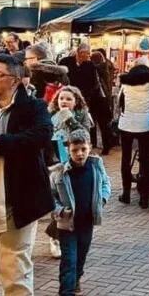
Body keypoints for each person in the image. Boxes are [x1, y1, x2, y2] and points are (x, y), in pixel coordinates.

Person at [0, 54, 54, 296]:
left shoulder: (34, 107)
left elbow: (41, 135)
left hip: (18, 201)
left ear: (15, 80)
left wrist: (0, 144)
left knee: (15, 272)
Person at [50, 128, 111, 296]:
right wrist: (60, 210)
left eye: (83, 149)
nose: (79, 154)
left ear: (89, 147)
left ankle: (75, 281)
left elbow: (106, 183)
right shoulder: (59, 172)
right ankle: (66, 292)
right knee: (69, 260)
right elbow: (49, 196)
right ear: (68, 149)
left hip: (87, 222)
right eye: (75, 150)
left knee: (81, 257)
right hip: (67, 225)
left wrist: (103, 198)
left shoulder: (96, 165)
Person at [46, 86, 95, 258]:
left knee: (71, 200)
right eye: (61, 98)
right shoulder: (51, 116)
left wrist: (71, 121)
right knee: (59, 199)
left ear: (76, 101)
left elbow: (86, 138)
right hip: (56, 163)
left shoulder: (82, 116)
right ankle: (56, 237)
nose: (64, 102)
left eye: (68, 99)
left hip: (75, 165)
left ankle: (59, 234)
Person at [117, 57, 149, 209]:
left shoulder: (125, 82)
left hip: (127, 124)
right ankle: (144, 197)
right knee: (146, 160)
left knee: (125, 159)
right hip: (146, 125)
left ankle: (126, 193)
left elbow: (120, 102)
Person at [60, 43, 114, 155]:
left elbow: (92, 84)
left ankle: (101, 146)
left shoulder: (90, 65)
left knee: (95, 122)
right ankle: (77, 147)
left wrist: (84, 99)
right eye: (87, 54)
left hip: (93, 99)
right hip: (73, 97)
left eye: (89, 54)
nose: (89, 56)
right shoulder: (66, 62)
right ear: (80, 53)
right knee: (79, 123)